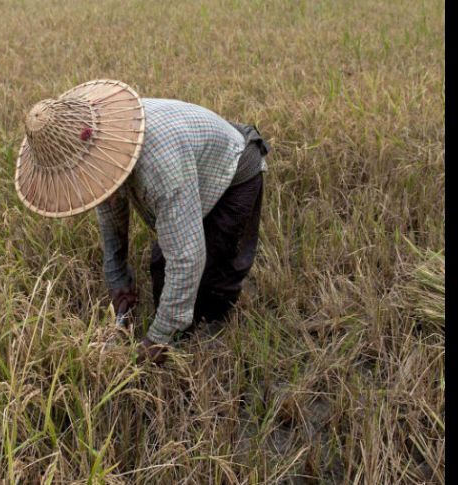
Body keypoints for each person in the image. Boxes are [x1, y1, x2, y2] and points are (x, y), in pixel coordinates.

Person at [14, 79, 269, 365]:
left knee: (212, 276)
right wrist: (117, 278)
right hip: (194, 164)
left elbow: (187, 258)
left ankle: (213, 340)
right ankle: (178, 327)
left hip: (234, 167)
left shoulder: (159, 166)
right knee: (162, 268)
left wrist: (156, 340)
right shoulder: (104, 151)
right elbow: (111, 214)